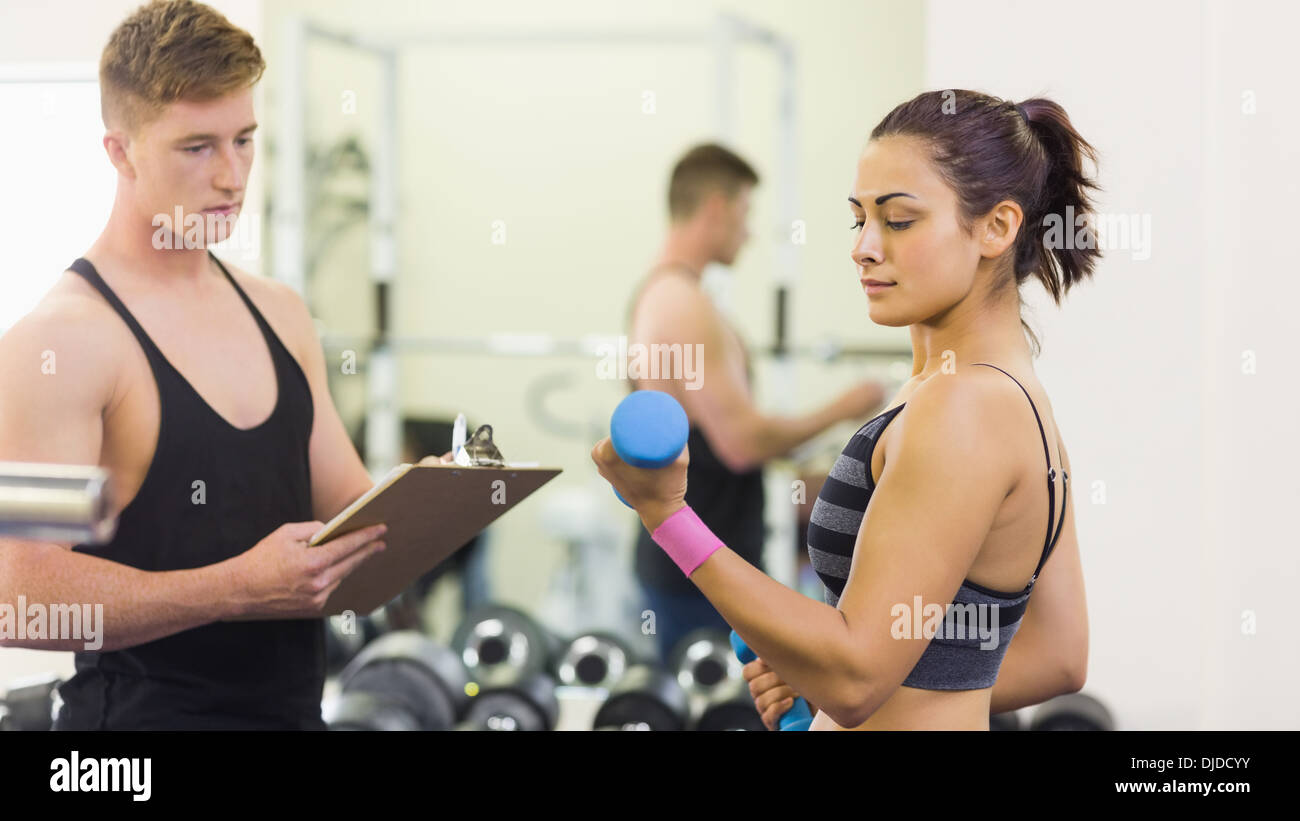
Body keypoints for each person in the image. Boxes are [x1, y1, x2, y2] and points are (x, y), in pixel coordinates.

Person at [0, 0, 442, 730]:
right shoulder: (62, 345)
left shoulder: (280, 314)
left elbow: (355, 516)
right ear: (120, 151)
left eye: (245, 140)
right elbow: (18, 596)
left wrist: (459, 491)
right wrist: (234, 588)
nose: (232, 176)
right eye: (197, 147)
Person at [595, 90, 1095, 729]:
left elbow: (857, 673)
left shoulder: (961, 407)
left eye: (899, 220)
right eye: (858, 218)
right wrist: (817, 674)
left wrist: (666, 514)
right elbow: (1058, 657)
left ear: (996, 227)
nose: (863, 246)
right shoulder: (1009, 396)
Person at [626, 143, 886, 663]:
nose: (748, 232)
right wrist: (849, 406)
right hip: (700, 571)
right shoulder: (684, 306)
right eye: (745, 215)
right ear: (717, 208)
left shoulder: (664, 296)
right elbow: (742, 444)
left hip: (692, 560)